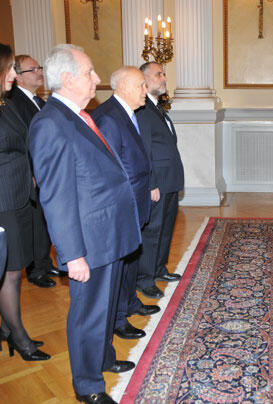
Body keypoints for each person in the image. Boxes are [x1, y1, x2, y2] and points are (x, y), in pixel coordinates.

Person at [29, 44, 141, 404]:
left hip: (108, 233)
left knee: (105, 308)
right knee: (88, 314)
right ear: (67, 79)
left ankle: (103, 358)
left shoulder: (77, 115)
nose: (97, 78)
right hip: (89, 241)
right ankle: (88, 386)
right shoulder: (50, 124)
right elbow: (56, 197)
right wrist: (72, 254)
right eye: (89, 72)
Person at [92, 66, 160, 341]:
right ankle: (118, 318)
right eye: (140, 85)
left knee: (132, 257)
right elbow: (110, 170)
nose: (145, 90)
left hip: (136, 198)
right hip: (123, 203)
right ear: (122, 87)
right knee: (120, 263)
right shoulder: (109, 117)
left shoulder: (128, 112)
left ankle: (130, 302)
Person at [0, 43, 50, 361]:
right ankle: (19, 338)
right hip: (3, 200)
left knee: (12, 268)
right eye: (9, 69)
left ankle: (7, 329)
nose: (13, 75)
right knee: (10, 272)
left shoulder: (6, 103)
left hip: (17, 194)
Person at [135, 62, 184, 299]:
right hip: (157, 183)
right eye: (159, 74)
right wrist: (151, 183)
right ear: (144, 79)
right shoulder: (142, 109)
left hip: (169, 180)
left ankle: (158, 269)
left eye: (164, 74)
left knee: (165, 228)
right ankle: (144, 279)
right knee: (153, 231)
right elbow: (144, 150)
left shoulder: (156, 107)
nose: (164, 78)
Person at [9, 54, 59, 288]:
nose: (40, 72)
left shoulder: (39, 100)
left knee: (44, 220)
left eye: (40, 68)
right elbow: (23, 141)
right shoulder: (14, 102)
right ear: (18, 76)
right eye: (33, 69)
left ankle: (44, 261)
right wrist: (31, 171)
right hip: (31, 173)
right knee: (34, 221)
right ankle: (35, 270)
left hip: (46, 170)